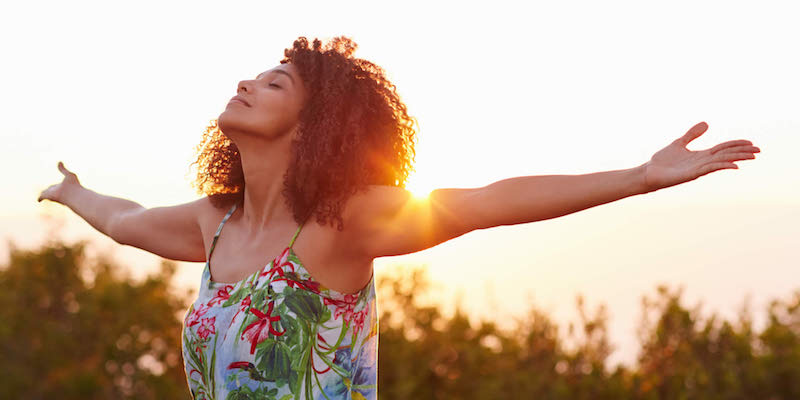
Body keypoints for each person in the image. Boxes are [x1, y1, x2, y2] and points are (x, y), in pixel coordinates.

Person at [37, 36, 760, 399]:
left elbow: (486, 203)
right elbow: (125, 219)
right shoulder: (213, 225)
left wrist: (639, 177)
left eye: (274, 82)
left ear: (314, 125)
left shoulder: (345, 223)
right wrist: (75, 194)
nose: (246, 82)